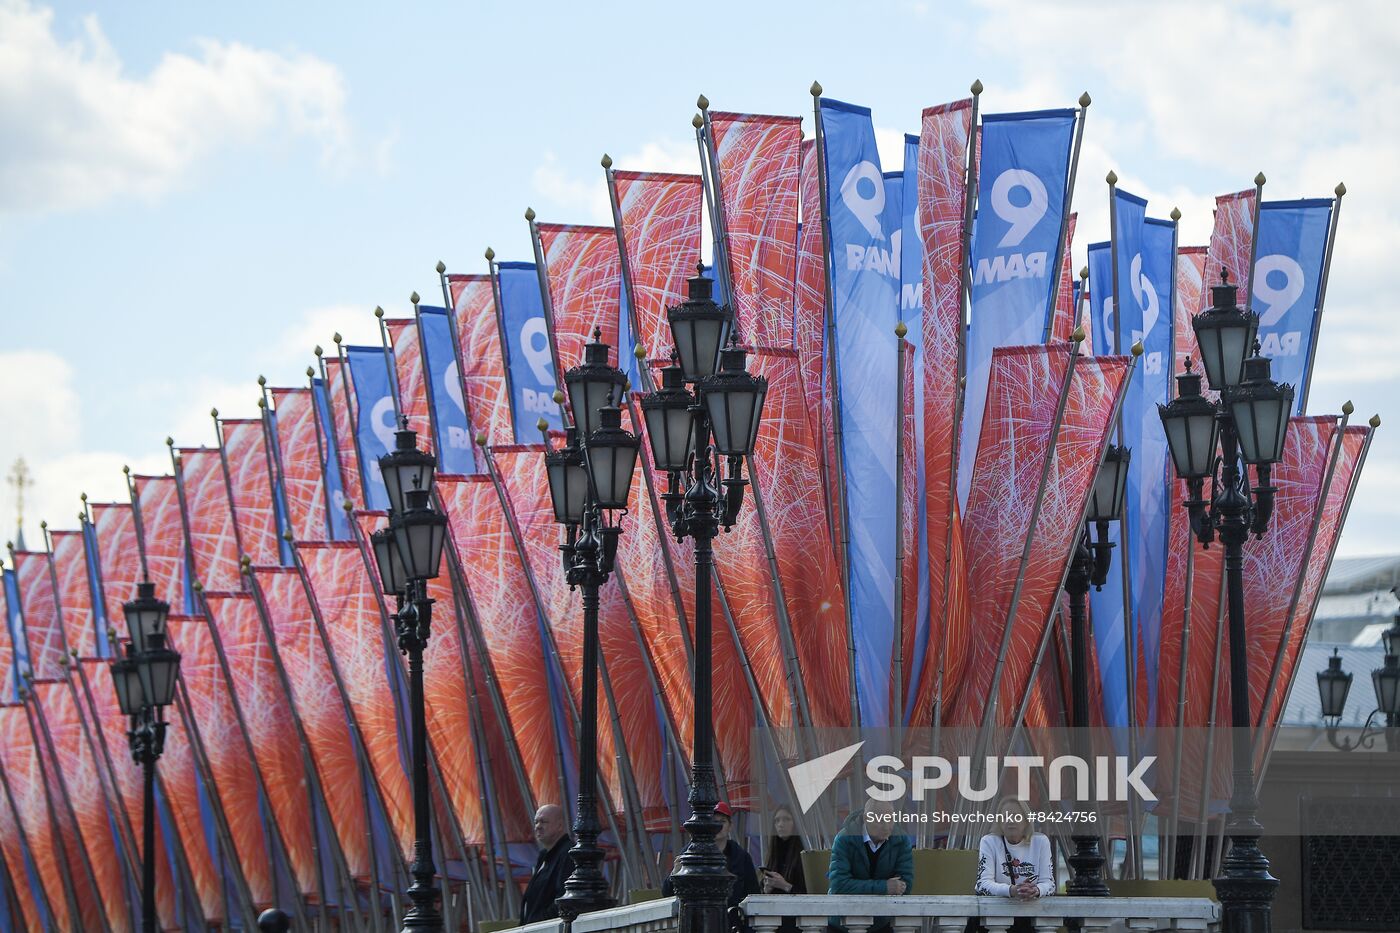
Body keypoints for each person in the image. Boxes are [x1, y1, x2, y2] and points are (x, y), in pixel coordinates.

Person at [664, 801, 762, 928]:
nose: (717, 826)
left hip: (732, 923)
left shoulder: (741, 856)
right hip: (697, 923)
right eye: (713, 822)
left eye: (722, 821)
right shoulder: (689, 853)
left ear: (730, 826)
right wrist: (675, 873)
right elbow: (667, 893)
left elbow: (753, 893)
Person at [826, 799, 914, 933]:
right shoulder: (844, 839)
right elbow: (839, 885)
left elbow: (904, 885)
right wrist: (884, 887)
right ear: (866, 818)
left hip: (881, 922)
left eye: (890, 819)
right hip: (841, 922)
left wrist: (860, 886)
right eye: (881, 820)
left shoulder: (901, 840)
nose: (887, 826)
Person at [971, 797, 1055, 932]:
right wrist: (1012, 890)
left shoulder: (1041, 842)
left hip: (1029, 918)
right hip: (994, 917)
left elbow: (1049, 884)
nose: (1011, 821)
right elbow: (983, 884)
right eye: (1005, 816)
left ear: (1026, 821)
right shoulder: (989, 841)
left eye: (1016, 816)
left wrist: (1036, 890)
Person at [520, 803, 572, 924]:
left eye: (543, 822)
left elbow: (564, 898)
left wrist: (539, 923)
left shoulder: (568, 854)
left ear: (560, 826)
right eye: (536, 822)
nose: (538, 826)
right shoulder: (544, 856)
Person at [761, 805, 806, 895]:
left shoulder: (804, 854)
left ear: (796, 823)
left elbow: (812, 894)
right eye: (777, 820)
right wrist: (766, 889)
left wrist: (785, 886)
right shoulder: (772, 854)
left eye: (786, 819)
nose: (780, 824)